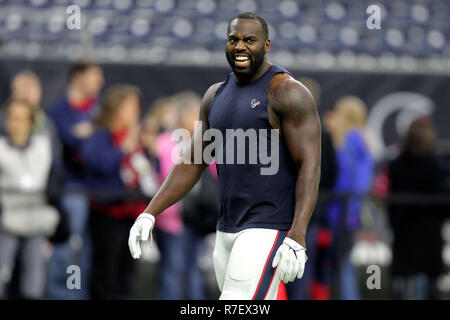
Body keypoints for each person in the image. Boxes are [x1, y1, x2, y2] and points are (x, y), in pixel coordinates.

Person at [129, 12, 321, 300]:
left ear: (266, 45)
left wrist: (298, 233)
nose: (240, 46)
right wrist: (150, 211)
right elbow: (193, 161)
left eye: (249, 40)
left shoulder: (286, 91)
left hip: (268, 225)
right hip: (226, 226)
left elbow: (310, 165)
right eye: (234, 39)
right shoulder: (215, 95)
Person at [83, 84, 157, 299]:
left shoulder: (137, 138)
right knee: (106, 271)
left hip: (132, 214)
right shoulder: (101, 135)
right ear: (116, 108)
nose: (135, 112)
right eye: (130, 106)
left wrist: (151, 151)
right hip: (107, 213)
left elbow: (148, 174)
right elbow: (96, 163)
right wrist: (123, 149)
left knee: (128, 271)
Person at [47, 61, 104, 299]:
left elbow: (102, 143)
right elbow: (72, 143)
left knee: (90, 250)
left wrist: (88, 132)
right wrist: (92, 134)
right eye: (94, 76)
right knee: (70, 247)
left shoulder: (98, 109)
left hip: (99, 191)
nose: (99, 82)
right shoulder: (59, 109)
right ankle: (63, 294)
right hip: (71, 190)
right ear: (78, 77)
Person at [0, 100, 58, 299]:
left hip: (37, 221)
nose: (14, 123)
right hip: (6, 222)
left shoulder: (43, 146)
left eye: (20, 118)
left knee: (33, 283)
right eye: (11, 117)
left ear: (30, 122)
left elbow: (54, 180)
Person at [387, 117, 446, 299]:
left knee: (404, 282)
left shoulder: (397, 164)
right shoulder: (435, 165)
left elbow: (391, 200)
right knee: (429, 285)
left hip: (405, 233)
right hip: (428, 233)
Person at [325, 96, 375, 300]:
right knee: (343, 262)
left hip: (340, 211)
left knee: (340, 264)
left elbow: (344, 178)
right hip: (351, 211)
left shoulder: (347, 142)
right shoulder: (364, 140)